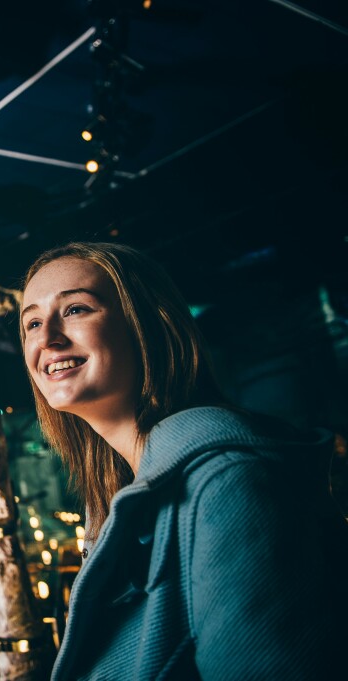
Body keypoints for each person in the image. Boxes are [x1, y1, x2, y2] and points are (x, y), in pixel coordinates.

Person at [18, 241, 347, 680]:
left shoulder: (227, 484)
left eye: (76, 309)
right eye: (32, 323)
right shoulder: (119, 499)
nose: (46, 338)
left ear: (151, 325)